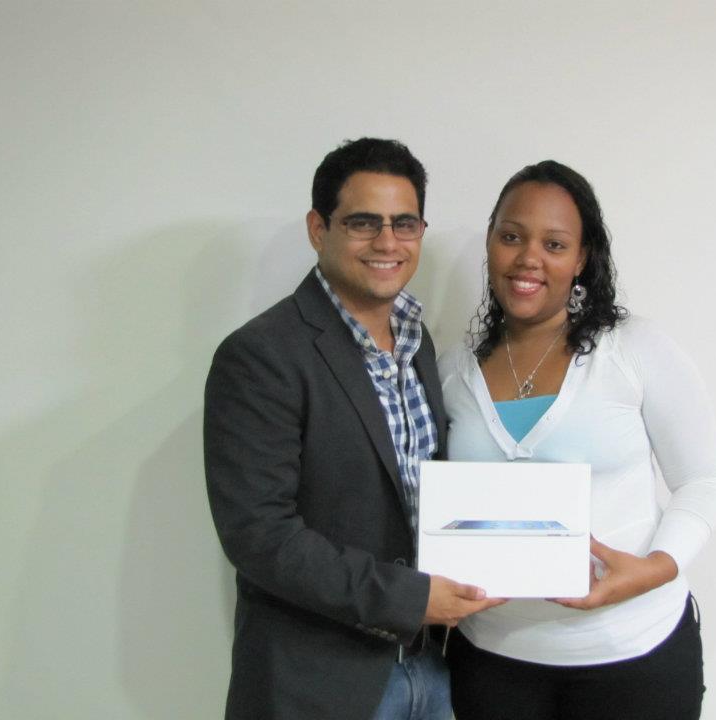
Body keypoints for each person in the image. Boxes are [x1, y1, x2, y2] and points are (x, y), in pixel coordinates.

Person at [204, 138, 501, 720]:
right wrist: (412, 600)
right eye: (364, 222)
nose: (387, 242)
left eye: (404, 223)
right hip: (319, 684)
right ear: (319, 229)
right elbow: (260, 536)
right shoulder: (261, 355)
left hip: (433, 669)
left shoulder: (417, 341)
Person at [438, 160, 716, 720]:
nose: (528, 258)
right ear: (491, 243)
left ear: (581, 259)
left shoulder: (635, 350)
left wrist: (657, 567)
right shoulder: (453, 368)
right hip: (492, 662)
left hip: (634, 656)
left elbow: (705, 480)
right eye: (511, 237)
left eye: (554, 244)